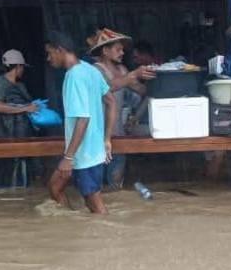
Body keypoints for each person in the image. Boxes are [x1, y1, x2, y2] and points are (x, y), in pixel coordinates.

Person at [45, 31, 118, 214]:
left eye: (50, 53)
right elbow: (111, 101)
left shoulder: (74, 77)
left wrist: (68, 158)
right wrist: (106, 139)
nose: (48, 58)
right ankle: (71, 222)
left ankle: (102, 230)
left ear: (60, 50)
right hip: (92, 150)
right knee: (55, 187)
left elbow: (83, 119)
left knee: (95, 205)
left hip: (83, 155)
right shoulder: (90, 70)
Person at [86, 28, 155, 189]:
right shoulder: (95, 70)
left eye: (122, 49)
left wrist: (156, 80)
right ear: (105, 51)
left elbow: (141, 91)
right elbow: (108, 87)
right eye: (118, 49)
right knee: (96, 185)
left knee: (116, 184)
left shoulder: (122, 70)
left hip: (118, 135)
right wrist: (133, 75)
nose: (122, 53)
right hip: (98, 136)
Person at [0, 49, 40, 189]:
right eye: (22, 67)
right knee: (5, 163)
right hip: (7, 131)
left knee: (22, 165)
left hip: (22, 131)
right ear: (18, 66)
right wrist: (24, 108)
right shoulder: (0, 82)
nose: (23, 70)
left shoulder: (20, 85)